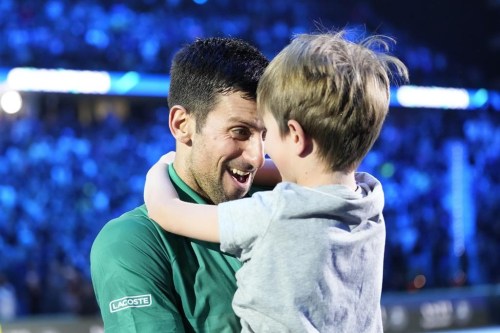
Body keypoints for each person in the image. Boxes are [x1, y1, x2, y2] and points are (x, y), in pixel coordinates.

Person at [144, 30, 409, 332]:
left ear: (295, 136)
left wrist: (161, 166)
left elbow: (165, 210)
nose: (259, 157)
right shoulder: (370, 203)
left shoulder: (275, 212)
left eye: (266, 133)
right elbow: (311, 175)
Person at [90, 37, 269, 332]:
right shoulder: (133, 243)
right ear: (181, 125)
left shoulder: (288, 202)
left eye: (265, 135)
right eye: (239, 132)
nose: (257, 157)